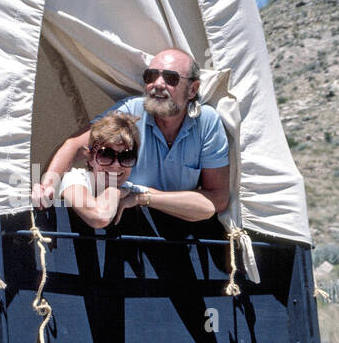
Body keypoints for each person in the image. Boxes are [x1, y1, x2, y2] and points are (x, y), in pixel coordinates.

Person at [33, 48, 230, 220]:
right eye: (151, 76)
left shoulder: (207, 122)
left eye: (171, 78)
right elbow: (74, 145)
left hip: (184, 233)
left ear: (192, 89)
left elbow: (217, 199)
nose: (158, 84)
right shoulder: (131, 110)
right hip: (129, 224)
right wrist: (48, 186)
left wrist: (142, 198)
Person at [57, 112, 142, 228]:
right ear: (90, 158)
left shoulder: (129, 188)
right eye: (106, 155)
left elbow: (174, 203)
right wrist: (114, 191)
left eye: (126, 157)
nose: (116, 165)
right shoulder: (74, 177)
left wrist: (141, 198)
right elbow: (99, 217)